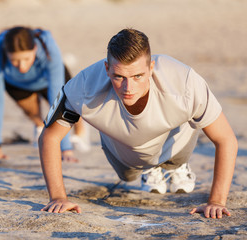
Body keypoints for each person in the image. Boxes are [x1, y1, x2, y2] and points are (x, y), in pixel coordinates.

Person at [38, 28, 238, 219]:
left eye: (137, 76)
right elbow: (49, 137)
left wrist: (217, 201)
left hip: (173, 142)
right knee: (126, 175)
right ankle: (150, 169)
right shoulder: (83, 86)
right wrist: (58, 198)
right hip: (121, 147)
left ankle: (174, 168)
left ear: (151, 68)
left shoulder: (184, 83)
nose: (128, 87)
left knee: (175, 159)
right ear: (107, 69)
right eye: (119, 77)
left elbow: (226, 139)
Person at [0, 26, 90, 163]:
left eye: (26, 59)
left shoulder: (48, 46)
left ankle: (79, 132)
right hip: (17, 83)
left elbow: (56, 99)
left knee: (72, 107)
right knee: (32, 113)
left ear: (34, 49)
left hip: (49, 79)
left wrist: (65, 149)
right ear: (6, 52)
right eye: (15, 60)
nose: (22, 66)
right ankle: (41, 127)